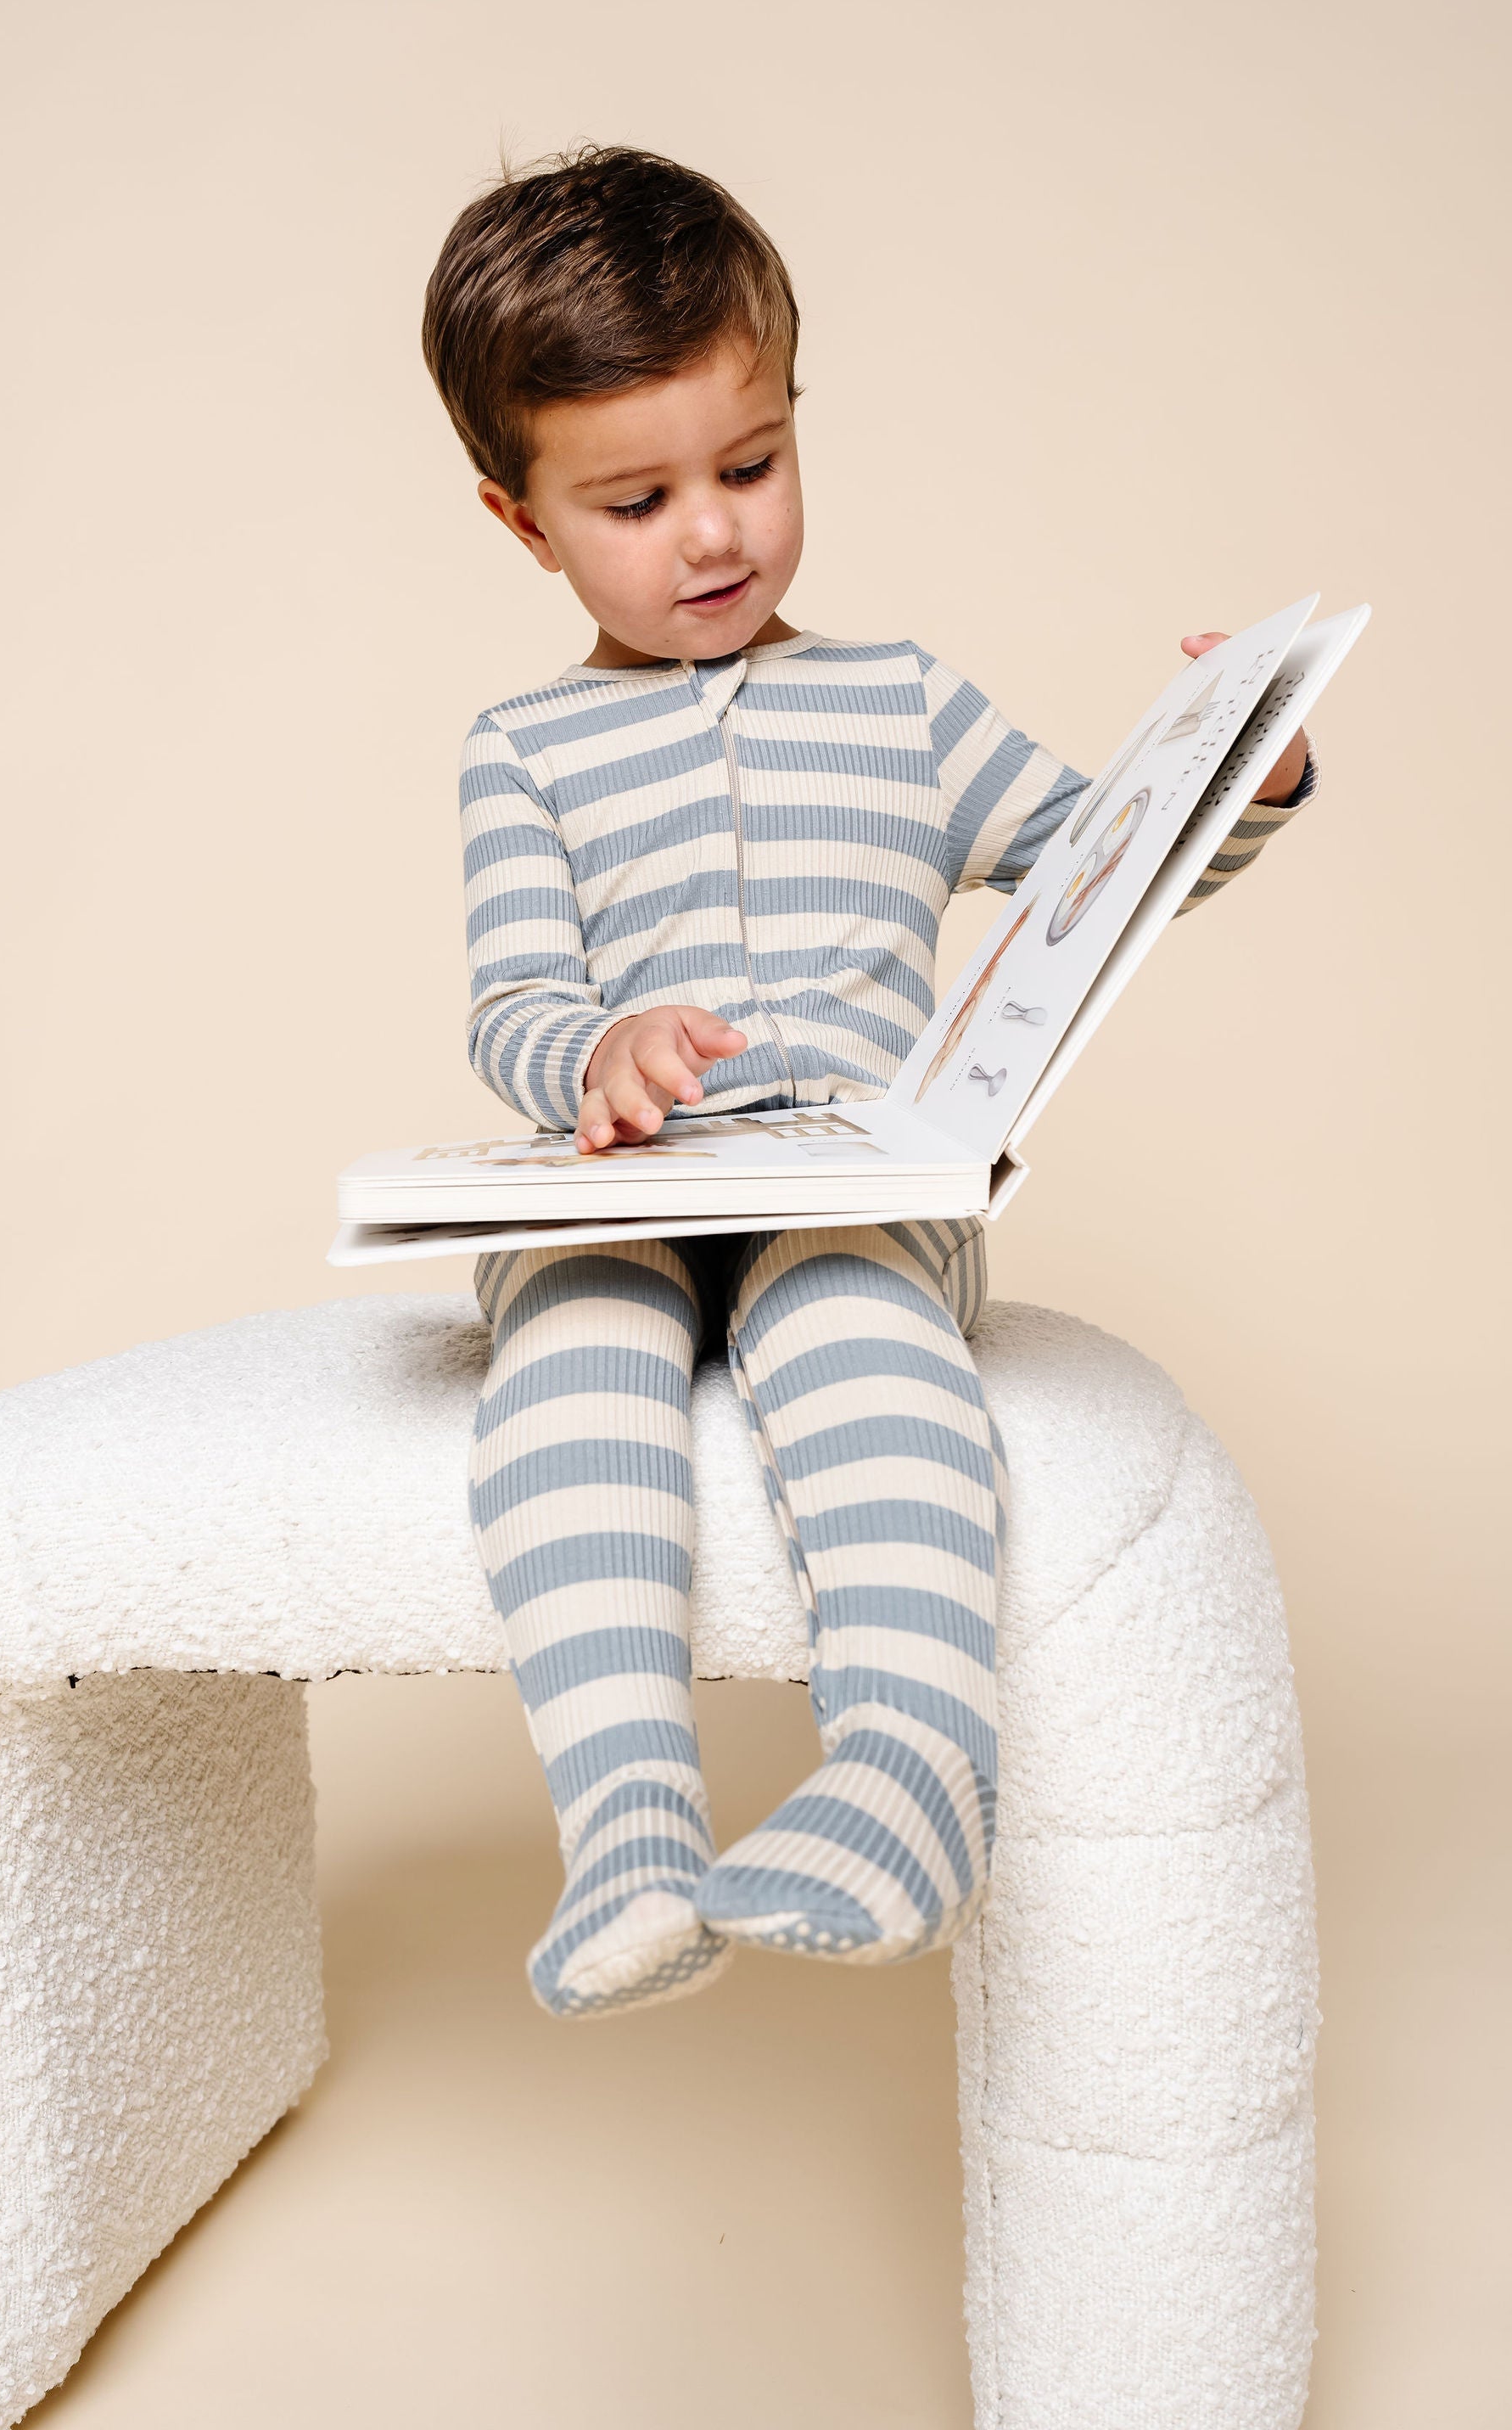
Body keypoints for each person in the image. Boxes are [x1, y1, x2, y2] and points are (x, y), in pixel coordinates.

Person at [422, 145, 1314, 2018]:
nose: (711, 537)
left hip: (856, 1182)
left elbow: (1100, 866)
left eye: (748, 468)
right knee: (568, 1358)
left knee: (851, 1329)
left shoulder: (900, 699)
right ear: (523, 524)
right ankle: (631, 1832)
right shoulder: (524, 750)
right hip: (626, 1188)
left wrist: (1240, 766)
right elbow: (511, 1001)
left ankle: (907, 1771)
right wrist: (593, 1051)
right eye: (636, 500)